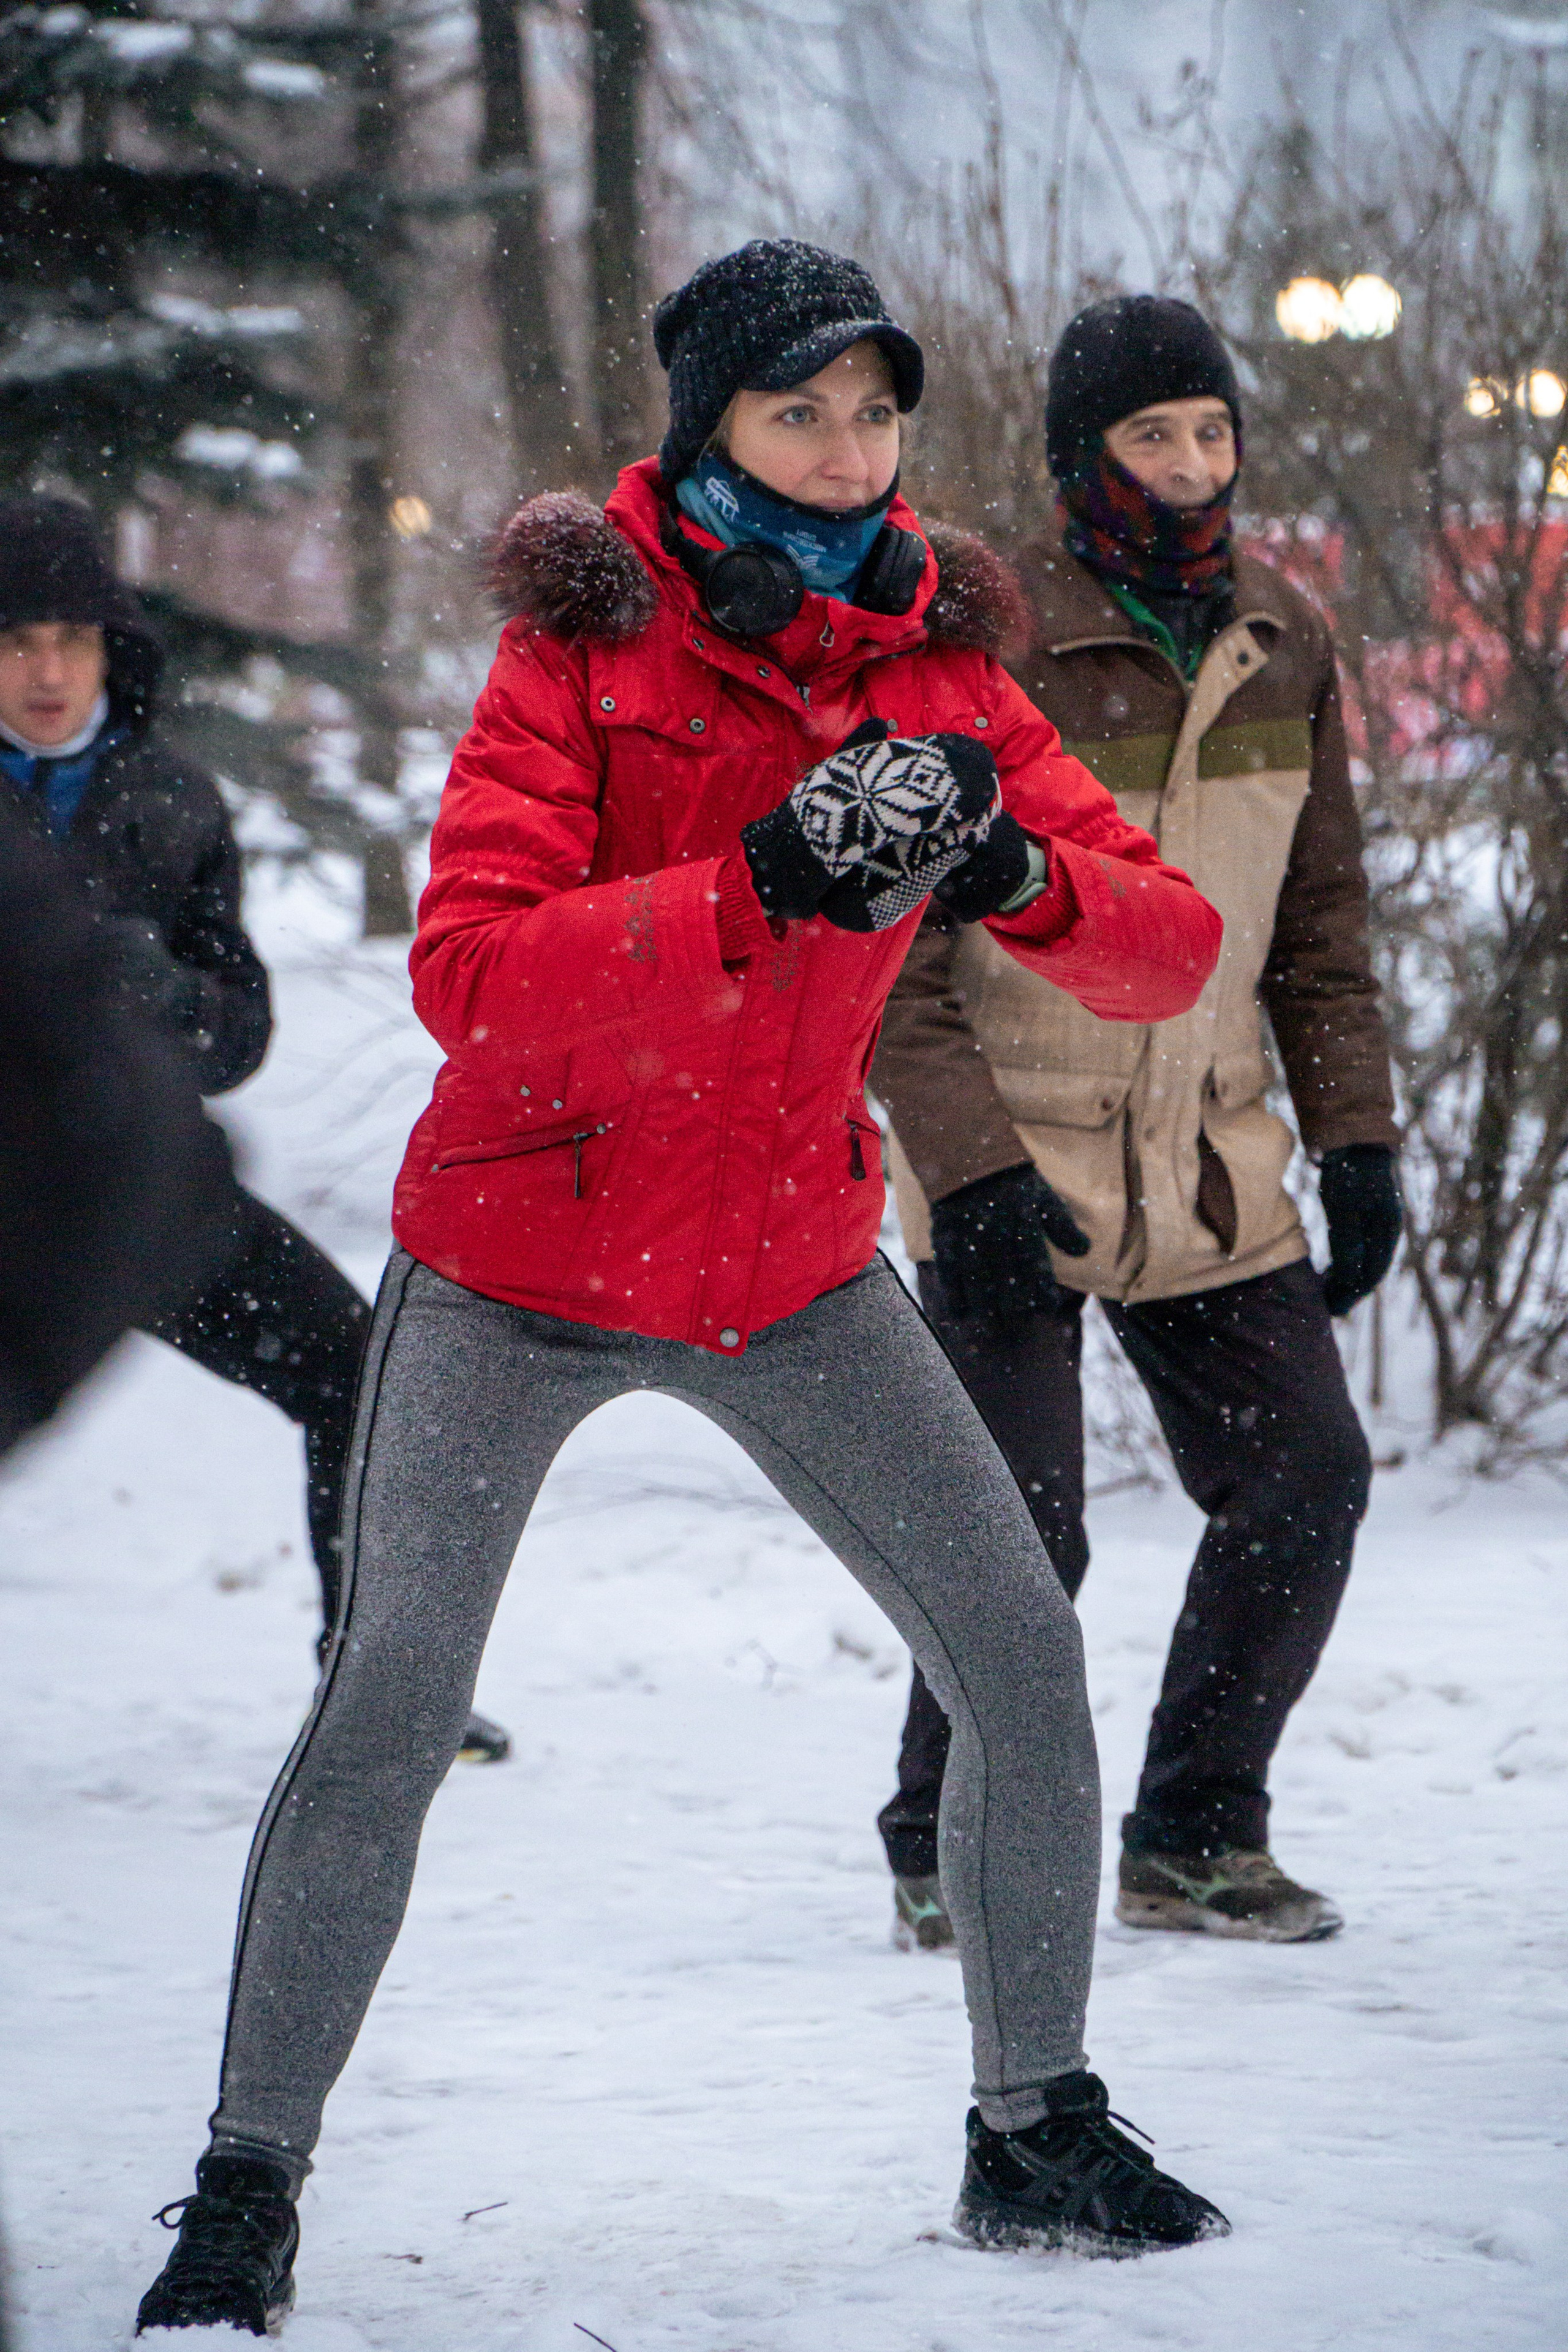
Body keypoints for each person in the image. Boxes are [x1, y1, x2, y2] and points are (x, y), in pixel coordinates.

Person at [134, 239, 1232, 2335]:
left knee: (1020, 1654)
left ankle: (1034, 2127)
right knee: (385, 1706)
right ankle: (246, 2181)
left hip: (789, 1266)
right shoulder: (582, 650)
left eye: (876, 411)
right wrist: (755, 888)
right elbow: (467, 978)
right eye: (797, 409)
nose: (845, 451)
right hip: (515, 1266)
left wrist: (1011, 869)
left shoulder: (945, 665)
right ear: (708, 426)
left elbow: (1168, 949)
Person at [874, 294, 1403, 1953]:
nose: (1191, 469)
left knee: (1306, 1476)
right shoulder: (993, 649)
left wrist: (1359, 1138)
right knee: (1019, 1536)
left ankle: (1193, 1833)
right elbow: (894, 960)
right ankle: (934, 1839)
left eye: (1213, 432)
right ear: (1078, 460)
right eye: (1151, 438)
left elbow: (1317, 928)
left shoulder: (1285, 641)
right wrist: (964, 1176)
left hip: (1208, 1155)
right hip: (1010, 1158)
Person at [0, 496, 509, 1761]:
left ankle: (371, 1693)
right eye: (14, 639)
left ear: (112, 644)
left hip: (144, 1193)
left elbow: (239, 1029)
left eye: (71, 635)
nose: (48, 670)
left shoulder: (170, 801)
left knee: (356, 1372)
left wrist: (148, 999)